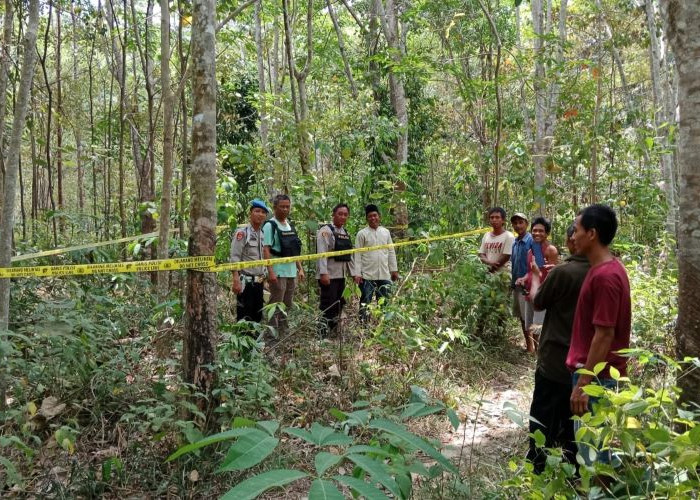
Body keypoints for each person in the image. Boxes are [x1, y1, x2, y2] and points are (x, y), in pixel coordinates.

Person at [567, 204, 631, 465]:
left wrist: (583, 385)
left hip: (598, 381)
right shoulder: (604, 269)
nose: (572, 236)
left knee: (595, 461)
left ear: (592, 233)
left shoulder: (605, 276)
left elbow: (604, 334)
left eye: (577, 230)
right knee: (595, 456)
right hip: (597, 378)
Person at [526, 224, 590, 474]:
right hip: (588, 364)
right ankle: (573, 470)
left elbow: (538, 301)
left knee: (543, 417)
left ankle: (539, 467)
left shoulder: (563, 272)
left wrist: (534, 275)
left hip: (555, 359)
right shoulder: (604, 270)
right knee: (574, 421)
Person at [263, 194, 305, 336]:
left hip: (291, 270)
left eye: (287, 206)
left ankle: (283, 330)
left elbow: (294, 250)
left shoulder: (290, 225)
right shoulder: (270, 225)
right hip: (278, 270)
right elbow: (266, 249)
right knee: (276, 303)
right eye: (282, 206)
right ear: (275, 208)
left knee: (288, 303)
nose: (285, 209)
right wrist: (271, 272)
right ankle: (271, 333)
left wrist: (300, 268)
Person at [353, 204, 399, 321]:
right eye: (370, 216)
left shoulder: (386, 232)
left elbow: (391, 251)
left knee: (384, 300)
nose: (373, 218)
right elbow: (357, 255)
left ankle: (383, 325)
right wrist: (357, 273)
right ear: (366, 219)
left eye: (375, 215)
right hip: (367, 274)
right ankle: (363, 325)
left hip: (384, 273)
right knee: (365, 301)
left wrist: (394, 270)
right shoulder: (361, 234)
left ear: (379, 217)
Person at [316, 203, 354, 337]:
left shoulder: (344, 232)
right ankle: (322, 333)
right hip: (329, 275)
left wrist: (353, 273)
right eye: (340, 214)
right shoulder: (325, 231)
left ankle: (333, 330)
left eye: (345, 215)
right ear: (333, 214)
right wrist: (323, 273)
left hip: (340, 275)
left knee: (338, 303)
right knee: (328, 303)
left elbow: (349, 255)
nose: (342, 217)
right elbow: (322, 253)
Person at [230, 199, 270, 326]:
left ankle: (255, 344)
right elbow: (234, 256)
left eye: (263, 212)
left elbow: (262, 259)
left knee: (257, 314)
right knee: (244, 315)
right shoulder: (242, 233)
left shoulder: (262, 234)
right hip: (245, 282)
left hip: (258, 281)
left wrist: (265, 279)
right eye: (257, 211)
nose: (260, 214)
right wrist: (235, 279)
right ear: (250, 214)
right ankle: (243, 344)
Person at [517, 216, 559, 334]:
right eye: (534, 230)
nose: (537, 233)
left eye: (541, 231)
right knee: (531, 327)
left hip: (542, 295)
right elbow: (531, 271)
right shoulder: (531, 251)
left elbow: (553, 274)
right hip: (530, 292)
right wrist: (523, 278)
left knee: (540, 328)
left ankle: (540, 351)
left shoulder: (551, 250)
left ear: (546, 233)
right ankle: (535, 351)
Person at [510, 212, 545, 353]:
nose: (518, 225)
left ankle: (538, 349)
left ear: (526, 224)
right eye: (515, 223)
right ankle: (529, 347)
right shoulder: (515, 243)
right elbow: (514, 264)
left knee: (534, 318)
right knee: (523, 318)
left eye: (521, 222)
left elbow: (539, 263)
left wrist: (527, 278)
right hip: (518, 286)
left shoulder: (532, 241)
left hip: (531, 286)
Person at [478, 207, 514, 273]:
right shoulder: (486, 235)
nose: (494, 220)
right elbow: (481, 253)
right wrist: (489, 263)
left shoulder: (509, 236)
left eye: (497, 217)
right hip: (489, 273)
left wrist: (491, 269)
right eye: (492, 217)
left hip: (504, 274)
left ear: (503, 220)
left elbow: (506, 256)